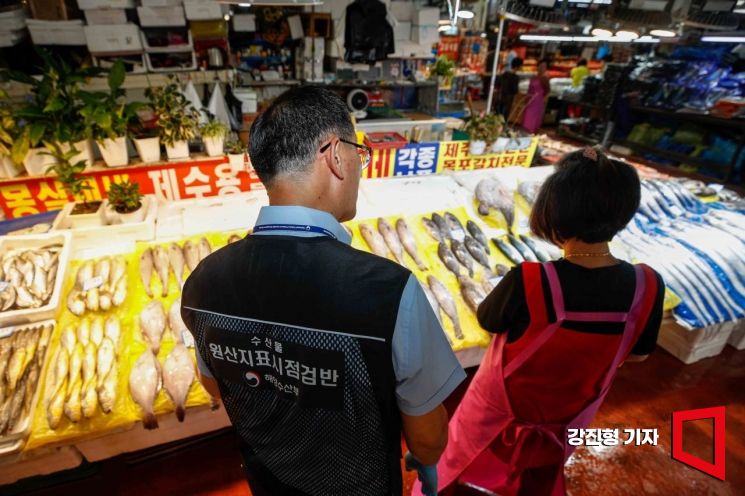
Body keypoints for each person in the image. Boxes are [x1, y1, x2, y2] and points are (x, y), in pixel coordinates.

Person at [181, 86, 465, 496]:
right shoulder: (390, 291)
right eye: (358, 153)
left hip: (269, 483)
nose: (359, 167)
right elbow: (427, 440)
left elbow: (218, 387)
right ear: (334, 154)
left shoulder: (202, 283)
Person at [414, 148, 665, 496]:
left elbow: (488, 320)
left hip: (495, 421)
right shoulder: (647, 284)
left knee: (457, 472)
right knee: (535, 477)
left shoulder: (531, 280)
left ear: (555, 211)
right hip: (567, 422)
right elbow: (637, 354)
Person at [522, 59, 551, 134]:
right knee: (526, 118)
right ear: (538, 67)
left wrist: (543, 99)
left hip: (537, 101)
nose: (542, 68)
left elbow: (548, 90)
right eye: (541, 66)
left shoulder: (544, 78)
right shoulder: (533, 77)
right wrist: (526, 98)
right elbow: (529, 88)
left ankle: (531, 135)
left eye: (544, 66)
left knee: (533, 120)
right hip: (529, 99)